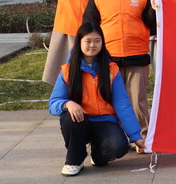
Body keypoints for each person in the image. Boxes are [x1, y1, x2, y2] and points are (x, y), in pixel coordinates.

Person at [49, 22, 144, 176]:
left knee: (119, 147)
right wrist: (67, 103)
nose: (92, 45)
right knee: (68, 118)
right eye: (88, 41)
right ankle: (74, 160)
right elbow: (53, 103)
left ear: (102, 42)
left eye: (97, 41)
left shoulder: (111, 69)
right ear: (79, 42)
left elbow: (122, 104)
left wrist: (135, 136)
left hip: (105, 121)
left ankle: (98, 154)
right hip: (80, 120)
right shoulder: (68, 70)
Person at [82, 0, 155, 147]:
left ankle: (142, 138)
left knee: (138, 101)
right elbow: (89, 25)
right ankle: (115, 139)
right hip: (108, 57)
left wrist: (155, 9)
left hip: (137, 55)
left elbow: (153, 24)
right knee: (108, 101)